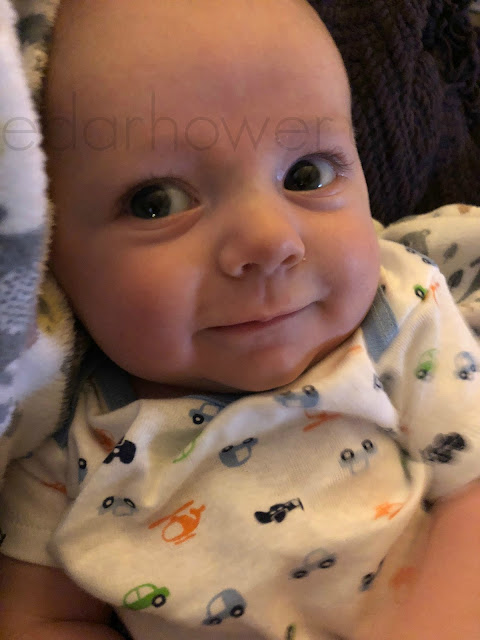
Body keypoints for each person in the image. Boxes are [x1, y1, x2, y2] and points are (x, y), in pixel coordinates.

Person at [0, 1, 479, 639]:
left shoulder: (397, 319)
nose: (269, 239)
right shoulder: (69, 443)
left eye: (307, 174)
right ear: (50, 253)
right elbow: (36, 617)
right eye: (157, 202)